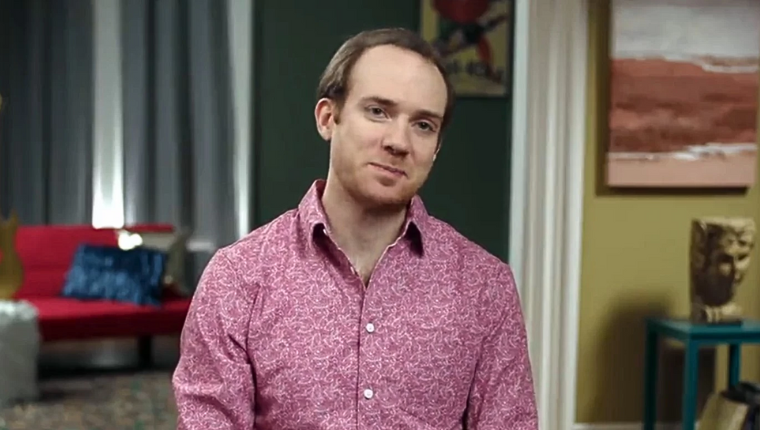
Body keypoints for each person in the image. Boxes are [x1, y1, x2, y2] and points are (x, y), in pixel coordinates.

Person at [172, 27, 538, 430]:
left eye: (423, 125)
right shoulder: (238, 278)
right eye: (378, 111)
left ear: (436, 148)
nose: (399, 142)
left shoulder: (485, 287)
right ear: (328, 118)